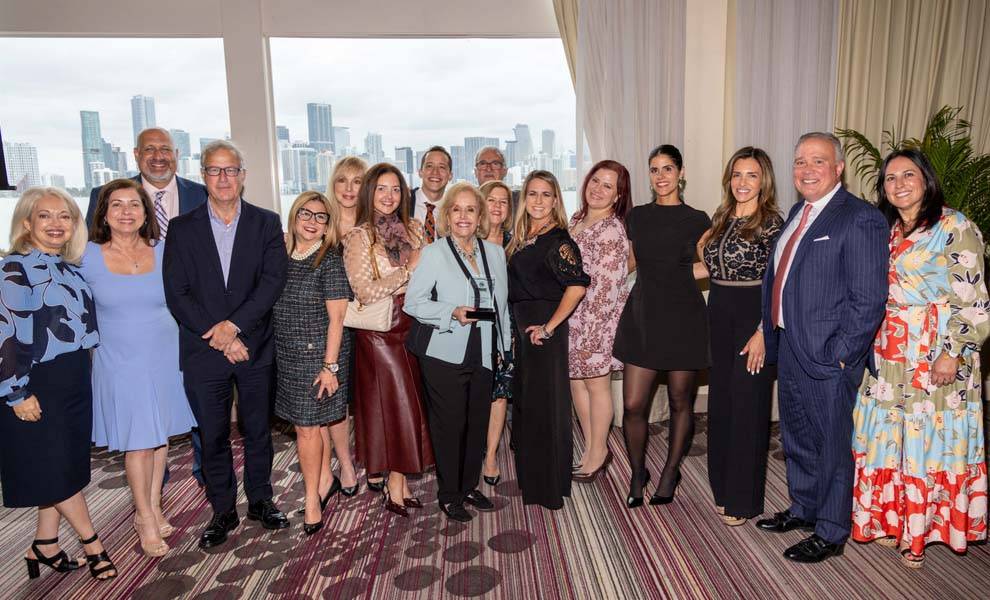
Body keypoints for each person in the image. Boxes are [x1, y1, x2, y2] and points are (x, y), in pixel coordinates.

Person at [850, 149, 989, 568]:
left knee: (929, 441)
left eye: (908, 175)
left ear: (926, 179)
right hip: (888, 349)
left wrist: (953, 353)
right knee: (887, 436)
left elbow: (974, 300)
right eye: (890, 178)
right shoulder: (885, 228)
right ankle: (890, 519)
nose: (899, 184)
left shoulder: (954, 225)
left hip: (936, 351)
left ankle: (919, 534)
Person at [756, 132, 888, 564]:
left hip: (830, 355)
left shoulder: (860, 218)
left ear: (838, 168)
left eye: (818, 161)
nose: (807, 169)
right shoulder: (799, 211)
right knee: (797, 434)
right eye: (800, 161)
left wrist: (843, 353)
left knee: (831, 445)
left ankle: (831, 530)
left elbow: (868, 299)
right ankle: (805, 508)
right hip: (791, 345)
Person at [163, 140, 290, 549]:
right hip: (203, 352)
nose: (223, 178)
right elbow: (177, 292)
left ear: (243, 176)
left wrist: (234, 328)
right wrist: (218, 334)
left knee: (258, 430)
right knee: (212, 434)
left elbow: (272, 283)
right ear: (203, 176)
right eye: (214, 170)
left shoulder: (266, 223)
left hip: (254, 347)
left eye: (230, 170)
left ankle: (260, 500)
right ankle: (222, 509)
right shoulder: (182, 228)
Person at [0, 187, 116, 580]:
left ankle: (44, 544)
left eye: (64, 216)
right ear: (27, 222)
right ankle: (93, 544)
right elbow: (5, 335)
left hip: (74, 376)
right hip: (35, 381)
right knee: (55, 466)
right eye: (45, 216)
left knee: (64, 464)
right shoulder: (13, 268)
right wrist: (16, 392)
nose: (56, 224)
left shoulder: (71, 268)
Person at [86, 126, 208, 489]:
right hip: (120, 348)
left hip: (175, 336)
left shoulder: (200, 194)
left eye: (165, 149)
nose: (158, 156)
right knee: (140, 436)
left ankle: (199, 478)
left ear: (176, 155)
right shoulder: (92, 238)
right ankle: (148, 503)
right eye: (150, 149)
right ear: (136, 155)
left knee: (169, 425)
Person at [81, 179, 197, 557]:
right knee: (139, 442)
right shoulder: (86, 256)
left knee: (159, 438)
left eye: (134, 204)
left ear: (147, 213)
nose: (126, 212)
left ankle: (155, 505)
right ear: (104, 214)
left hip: (164, 355)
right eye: (117, 205)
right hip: (119, 360)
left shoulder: (164, 250)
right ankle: (143, 517)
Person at [404, 182, 512, 521]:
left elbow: (502, 306)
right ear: (447, 216)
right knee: (449, 425)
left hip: (484, 350)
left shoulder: (495, 253)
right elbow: (413, 303)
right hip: (443, 351)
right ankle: (449, 493)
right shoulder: (434, 253)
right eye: (456, 209)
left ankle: (468, 486)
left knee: (476, 423)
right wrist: (451, 311)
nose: (463, 216)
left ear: (480, 216)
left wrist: (504, 348)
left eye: (470, 209)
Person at [613, 145, 711, 508]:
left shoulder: (697, 219)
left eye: (667, 169)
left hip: (684, 317)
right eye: (654, 170)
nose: (661, 176)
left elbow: (711, 264)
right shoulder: (637, 216)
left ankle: (670, 472)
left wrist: (680, 274)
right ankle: (638, 472)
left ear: (681, 173)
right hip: (643, 316)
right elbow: (629, 263)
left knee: (680, 401)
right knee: (632, 404)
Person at [695, 148, 783, 526]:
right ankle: (722, 488)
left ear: (764, 181)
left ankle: (742, 500)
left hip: (753, 317)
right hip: (718, 314)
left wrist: (764, 331)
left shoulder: (772, 223)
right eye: (736, 174)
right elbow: (710, 264)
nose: (742, 182)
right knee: (722, 403)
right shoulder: (722, 216)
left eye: (751, 175)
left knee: (748, 406)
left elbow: (780, 283)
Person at [343, 162, 433, 517]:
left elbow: (430, 273)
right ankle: (395, 483)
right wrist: (407, 271)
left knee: (410, 405)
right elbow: (364, 291)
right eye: (381, 188)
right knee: (397, 405)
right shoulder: (359, 236)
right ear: (370, 192)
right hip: (380, 333)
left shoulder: (413, 228)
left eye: (396, 189)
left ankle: (400, 481)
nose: (389, 196)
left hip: (413, 324)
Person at [507, 170, 589, 510]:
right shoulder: (525, 236)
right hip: (524, 330)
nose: (538, 201)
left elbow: (577, 286)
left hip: (543, 332)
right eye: (532, 194)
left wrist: (550, 327)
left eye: (546, 194)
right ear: (524, 199)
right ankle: (534, 480)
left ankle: (549, 486)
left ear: (556, 200)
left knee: (546, 407)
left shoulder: (558, 241)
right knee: (530, 406)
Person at [273, 191, 353, 535]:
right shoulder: (281, 255)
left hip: (320, 357)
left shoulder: (329, 260)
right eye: (306, 213)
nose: (312, 221)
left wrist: (329, 367)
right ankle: (324, 480)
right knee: (313, 426)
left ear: (327, 225)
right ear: (294, 215)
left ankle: (310, 501)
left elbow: (338, 319)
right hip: (286, 355)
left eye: (321, 217)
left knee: (306, 429)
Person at [568, 161, 632, 482]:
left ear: (618, 195)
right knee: (577, 383)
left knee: (596, 385)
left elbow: (608, 287)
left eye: (608, 186)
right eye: (595, 181)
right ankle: (591, 448)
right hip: (572, 316)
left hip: (596, 319)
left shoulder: (612, 230)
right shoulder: (576, 219)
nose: (598, 189)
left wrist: (591, 334)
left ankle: (599, 451)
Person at [324, 155, 368, 495]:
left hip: (366, 323)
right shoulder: (320, 223)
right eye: (342, 180)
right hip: (326, 324)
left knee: (362, 399)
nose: (349, 188)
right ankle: (343, 463)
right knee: (332, 399)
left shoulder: (374, 224)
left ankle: (371, 459)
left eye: (357, 181)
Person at [480, 180, 514, 485]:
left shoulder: (516, 243)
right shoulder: (466, 239)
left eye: (503, 201)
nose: (497, 206)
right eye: (491, 199)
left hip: (507, 327)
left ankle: (490, 456)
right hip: (472, 327)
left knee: (499, 394)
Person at [409, 146, 453, 244]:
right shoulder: (403, 203)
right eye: (429, 166)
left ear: (450, 175)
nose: (435, 172)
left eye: (442, 167)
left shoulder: (454, 210)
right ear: (420, 172)